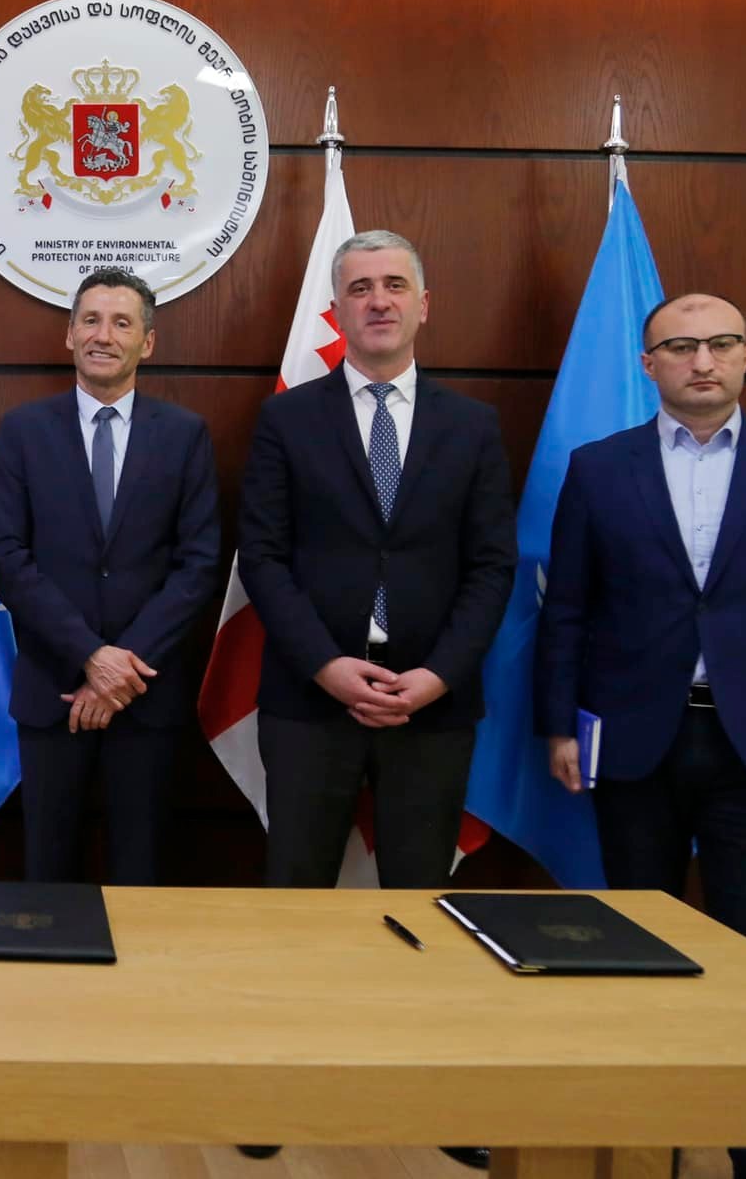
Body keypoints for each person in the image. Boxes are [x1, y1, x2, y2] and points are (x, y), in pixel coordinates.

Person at [536, 293, 746, 1179]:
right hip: (634, 744)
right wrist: (559, 726)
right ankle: (649, 1143)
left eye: (721, 344)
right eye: (681, 347)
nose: (703, 361)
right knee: (637, 952)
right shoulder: (599, 468)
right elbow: (566, 611)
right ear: (649, 365)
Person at [236, 229, 513, 1169]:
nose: (380, 300)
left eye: (396, 285)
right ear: (338, 309)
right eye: (360, 288)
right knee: (295, 898)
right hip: (311, 700)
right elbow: (263, 557)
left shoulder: (473, 425)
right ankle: (280, 1085)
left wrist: (437, 676)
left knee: (425, 900)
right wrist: (325, 665)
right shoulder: (288, 420)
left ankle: (436, 1088)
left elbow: (492, 567)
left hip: (433, 703)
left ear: (423, 305)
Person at [0, 267, 220, 885]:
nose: (103, 335)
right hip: (53, 690)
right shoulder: (23, 431)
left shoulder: (185, 435)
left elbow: (198, 563)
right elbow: (7, 556)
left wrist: (122, 669)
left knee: (141, 875)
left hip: (146, 696)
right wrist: (91, 656)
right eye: (90, 320)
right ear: (69, 334)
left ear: (147, 342)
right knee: (47, 876)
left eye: (121, 323)